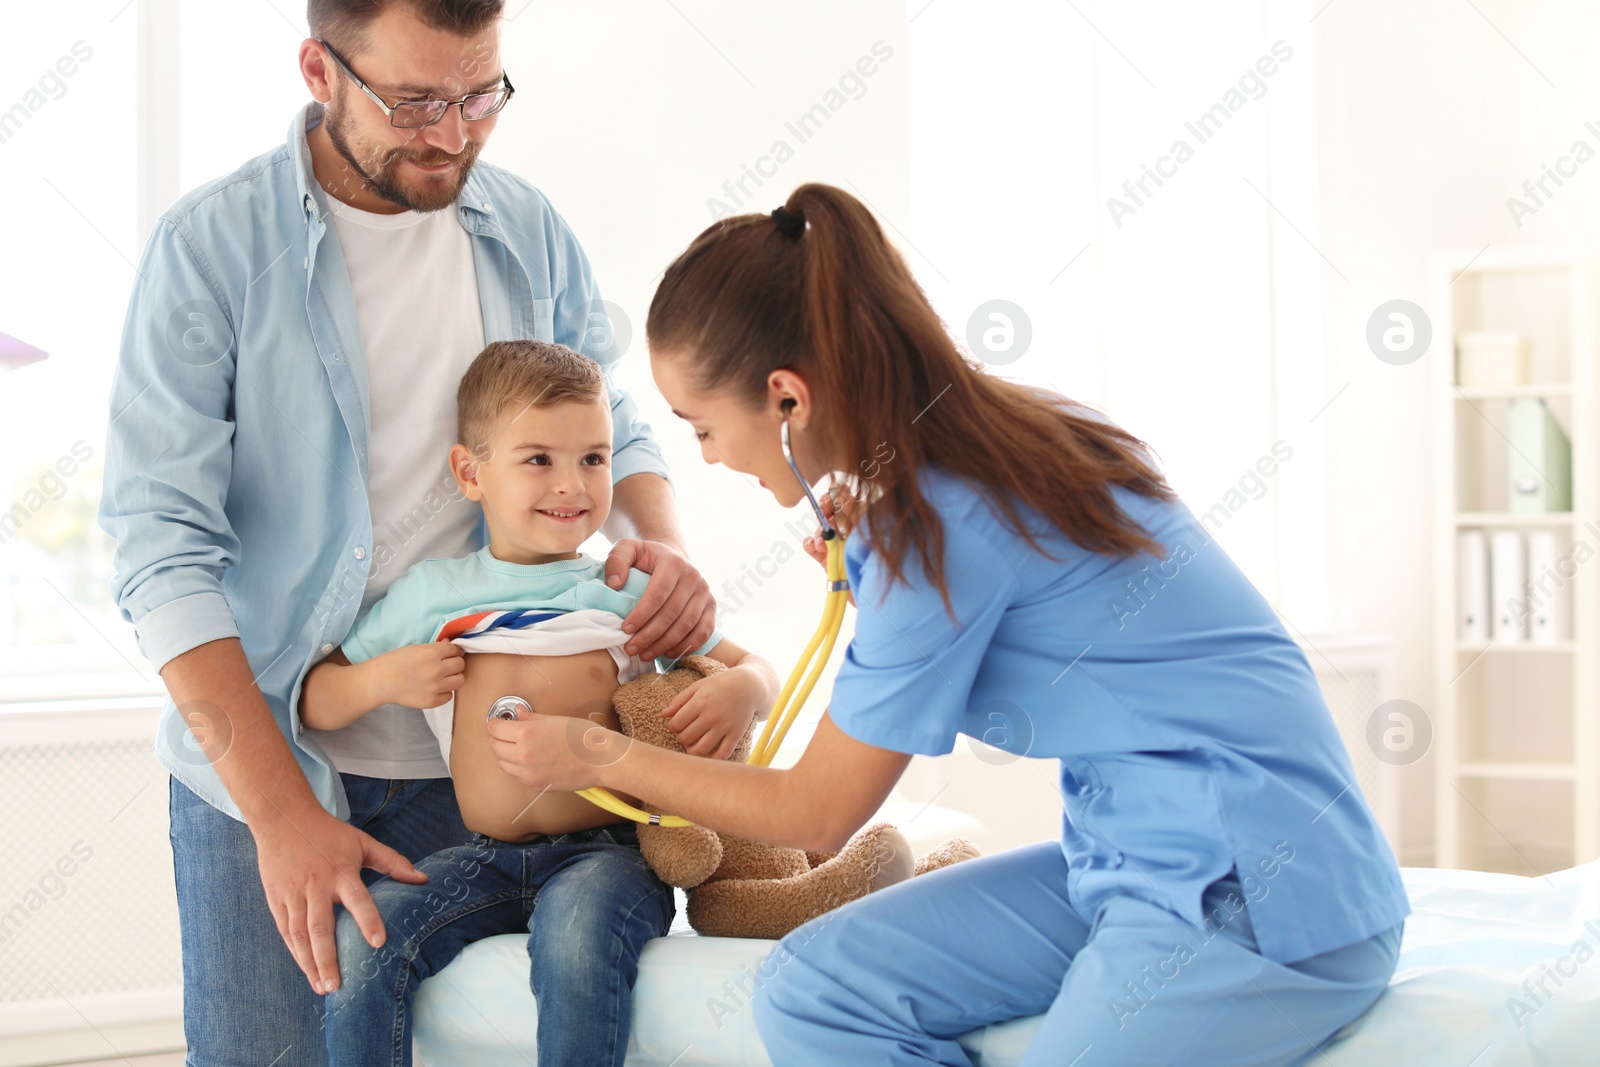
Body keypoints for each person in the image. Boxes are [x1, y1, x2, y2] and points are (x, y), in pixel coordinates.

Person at [482, 183, 1412, 1067]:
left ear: (787, 397)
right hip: (1127, 862)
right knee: (814, 988)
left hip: (1262, 891)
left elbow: (817, 809)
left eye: (702, 427)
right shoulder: (987, 451)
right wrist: (872, 579)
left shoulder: (928, 531)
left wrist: (596, 757)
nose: (712, 456)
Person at [96, 3, 716, 1062]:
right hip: (274, 768)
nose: (453, 135)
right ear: (318, 70)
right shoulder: (211, 249)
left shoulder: (527, 229)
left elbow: (612, 416)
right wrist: (282, 813)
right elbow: (159, 547)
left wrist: (658, 545)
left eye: (481, 96)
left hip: (493, 761)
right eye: (416, 102)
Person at [299, 339, 778, 1066]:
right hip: (488, 856)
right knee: (371, 937)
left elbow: (758, 669)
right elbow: (313, 699)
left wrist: (743, 688)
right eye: (538, 459)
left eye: (593, 457)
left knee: (578, 939)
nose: (572, 484)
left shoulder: (624, 590)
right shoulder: (436, 595)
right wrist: (384, 680)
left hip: (610, 857)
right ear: (470, 472)